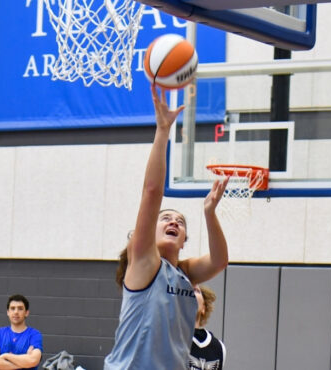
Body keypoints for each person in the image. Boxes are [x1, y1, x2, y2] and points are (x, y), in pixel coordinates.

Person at [104, 85, 229, 369]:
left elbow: (220, 261)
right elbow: (151, 192)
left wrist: (209, 213)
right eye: (166, 218)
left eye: (181, 222)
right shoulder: (146, 263)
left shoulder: (184, 273)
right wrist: (162, 131)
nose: (174, 221)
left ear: (184, 240)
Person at [0, 294, 43, 370]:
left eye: (20, 308)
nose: (16, 312)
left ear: (26, 313)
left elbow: (33, 360)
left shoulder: (34, 334)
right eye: (12, 308)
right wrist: (24, 363)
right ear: (8, 312)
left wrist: (6, 356)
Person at [189, 285, 226, 370]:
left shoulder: (218, 347)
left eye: (196, 290)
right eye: (187, 290)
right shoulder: (169, 337)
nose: (190, 293)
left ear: (204, 308)